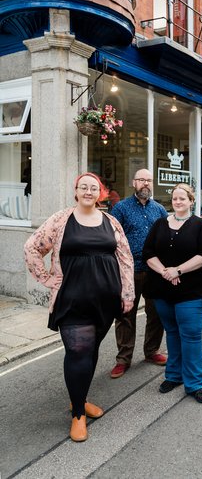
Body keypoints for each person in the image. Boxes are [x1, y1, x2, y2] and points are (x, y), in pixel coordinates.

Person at [24, 173, 134, 442]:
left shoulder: (111, 221)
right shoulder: (61, 219)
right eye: (83, 187)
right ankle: (77, 414)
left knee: (91, 350)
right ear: (76, 191)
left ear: (101, 193)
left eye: (93, 188)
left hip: (106, 299)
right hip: (72, 299)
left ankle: (81, 399)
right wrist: (47, 279)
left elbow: (125, 257)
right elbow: (31, 248)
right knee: (78, 351)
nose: (88, 191)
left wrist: (128, 292)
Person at [142, 183, 202, 404]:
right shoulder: (160, 224)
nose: (178, 202)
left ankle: (194, 383)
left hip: (192, 290)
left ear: (191, 201)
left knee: (191, 335)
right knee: (172, 333)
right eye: (175, 198)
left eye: (183, 198)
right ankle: (173, 376)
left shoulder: (201, 225)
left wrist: (178, 270)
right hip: (162, 289)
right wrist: (165, 271)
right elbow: (148, 252)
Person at [110, 169, 168, 378]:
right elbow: (112, 239)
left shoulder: (160, 210)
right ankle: (123, 359)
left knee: (157, 313)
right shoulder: (121, 208)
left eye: (148, 180)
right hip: (128, 272)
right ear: (134, 182)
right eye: (141, 180)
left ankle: (151, 351)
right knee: (125, 315)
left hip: (154, 271)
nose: (145, 183)